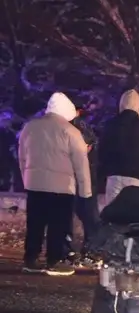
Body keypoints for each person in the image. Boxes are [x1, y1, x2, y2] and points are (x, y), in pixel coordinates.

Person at [18, 92, 92, 276]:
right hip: (62, 187)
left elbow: (22, 157)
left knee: (35, 223)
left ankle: (30, 258)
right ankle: (53, 260)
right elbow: (81, 164)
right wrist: (85, 191)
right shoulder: (70, 132)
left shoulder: (30, 127)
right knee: (57, 225)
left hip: (35, 185)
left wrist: (26, 178)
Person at [99, 89, 139, 204]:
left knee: (112, 212)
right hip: (137, 177)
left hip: (114, 176)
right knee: (134, 212)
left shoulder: (111, 124)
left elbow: (103, 150)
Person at [67, 105, 102, 266]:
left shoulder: (79, 127)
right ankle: (85, 250)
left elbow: (89, 148)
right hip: (78, 178)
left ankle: (87, 250)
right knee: (84, 215)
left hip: (82, 177)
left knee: (87, 215)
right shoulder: (77, 127)